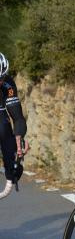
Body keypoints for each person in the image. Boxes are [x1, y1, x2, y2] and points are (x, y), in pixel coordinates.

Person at [0, 53, 29, 199]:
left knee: (4, 127)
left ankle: (11, 168)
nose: (0, 82)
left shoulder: (7, 84)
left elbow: (18, 118)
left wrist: (18, 137)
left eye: (1, 78)